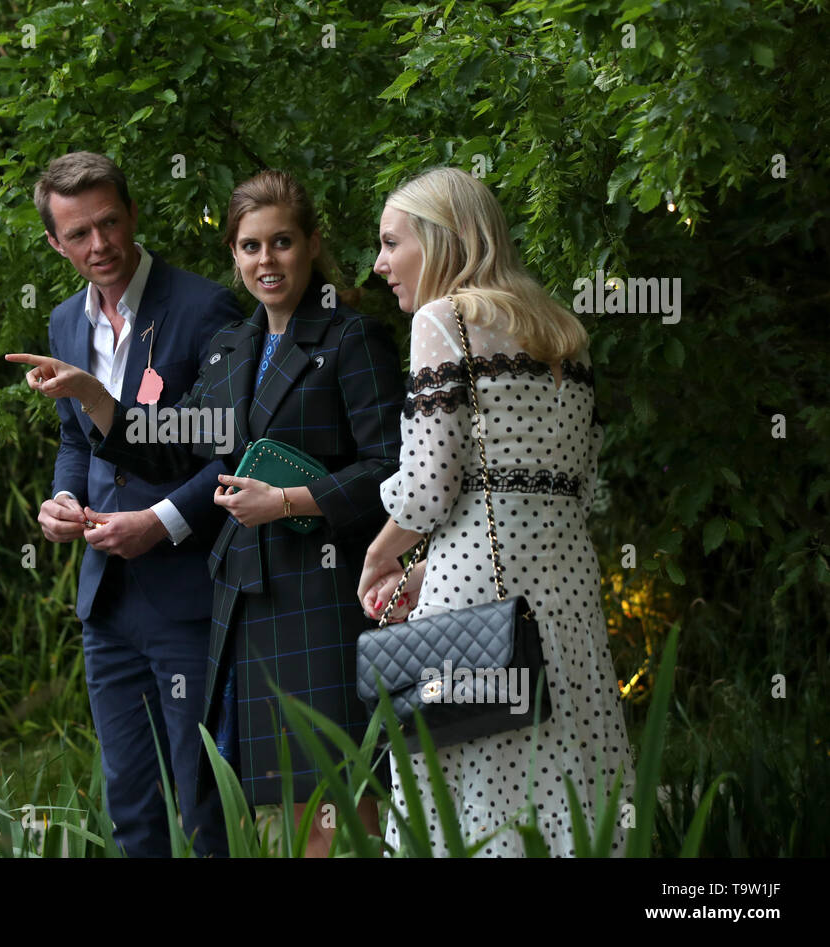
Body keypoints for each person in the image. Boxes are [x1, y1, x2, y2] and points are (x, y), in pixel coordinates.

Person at [12, 170, 405, 856]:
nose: (266, 260)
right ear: (234, 254)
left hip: (325, 600)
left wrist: (285, 501)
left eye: (281, 242)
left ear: (312, 244)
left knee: (338, 811)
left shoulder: (352, 339)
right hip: (245, 610)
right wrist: (92, 397)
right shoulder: (232, 349)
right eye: (251, 246)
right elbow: (174, 442)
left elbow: (392, 472)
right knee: (268, 816)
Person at [359, 166, 636, 856]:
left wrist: (382, 552)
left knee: (470, 783)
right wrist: (429, 568)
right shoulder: (563, 331)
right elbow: (563, 483)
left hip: (474, 599)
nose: (379, 263)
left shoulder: (442, 320)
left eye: (392, 243)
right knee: (568, 768)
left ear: (441, 238)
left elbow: (428, 489)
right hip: (565, 590)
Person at [26, 151, 241, 857]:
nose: (100, 246)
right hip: (105, 602)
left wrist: (161, 522)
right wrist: (61, 498)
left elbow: (227, 449)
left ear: (133, 214)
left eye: (110, 223)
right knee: (130, 812)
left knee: (205, 805)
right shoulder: (64, 322)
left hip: (186, 591)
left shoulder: (204, 306)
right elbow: (76, 441)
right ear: (55, 242)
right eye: (79, 234)